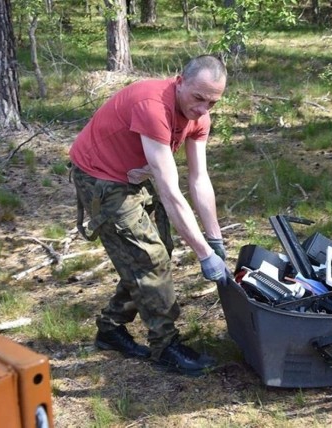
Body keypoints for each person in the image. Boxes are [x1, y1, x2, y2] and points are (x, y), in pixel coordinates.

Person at [69, 55, 228, 376]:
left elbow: (199, 179)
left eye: (212, 102)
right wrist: (204, 255)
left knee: (158, 250)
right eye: (198, 98)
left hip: (133, 174)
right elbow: (170, 191)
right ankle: (165, 345)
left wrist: (215, 239)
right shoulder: (153, 105)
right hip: (100, 177)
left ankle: (111, 330)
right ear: (179, 80)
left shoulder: (200, 117)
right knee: (149, 257)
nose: (203, 108)